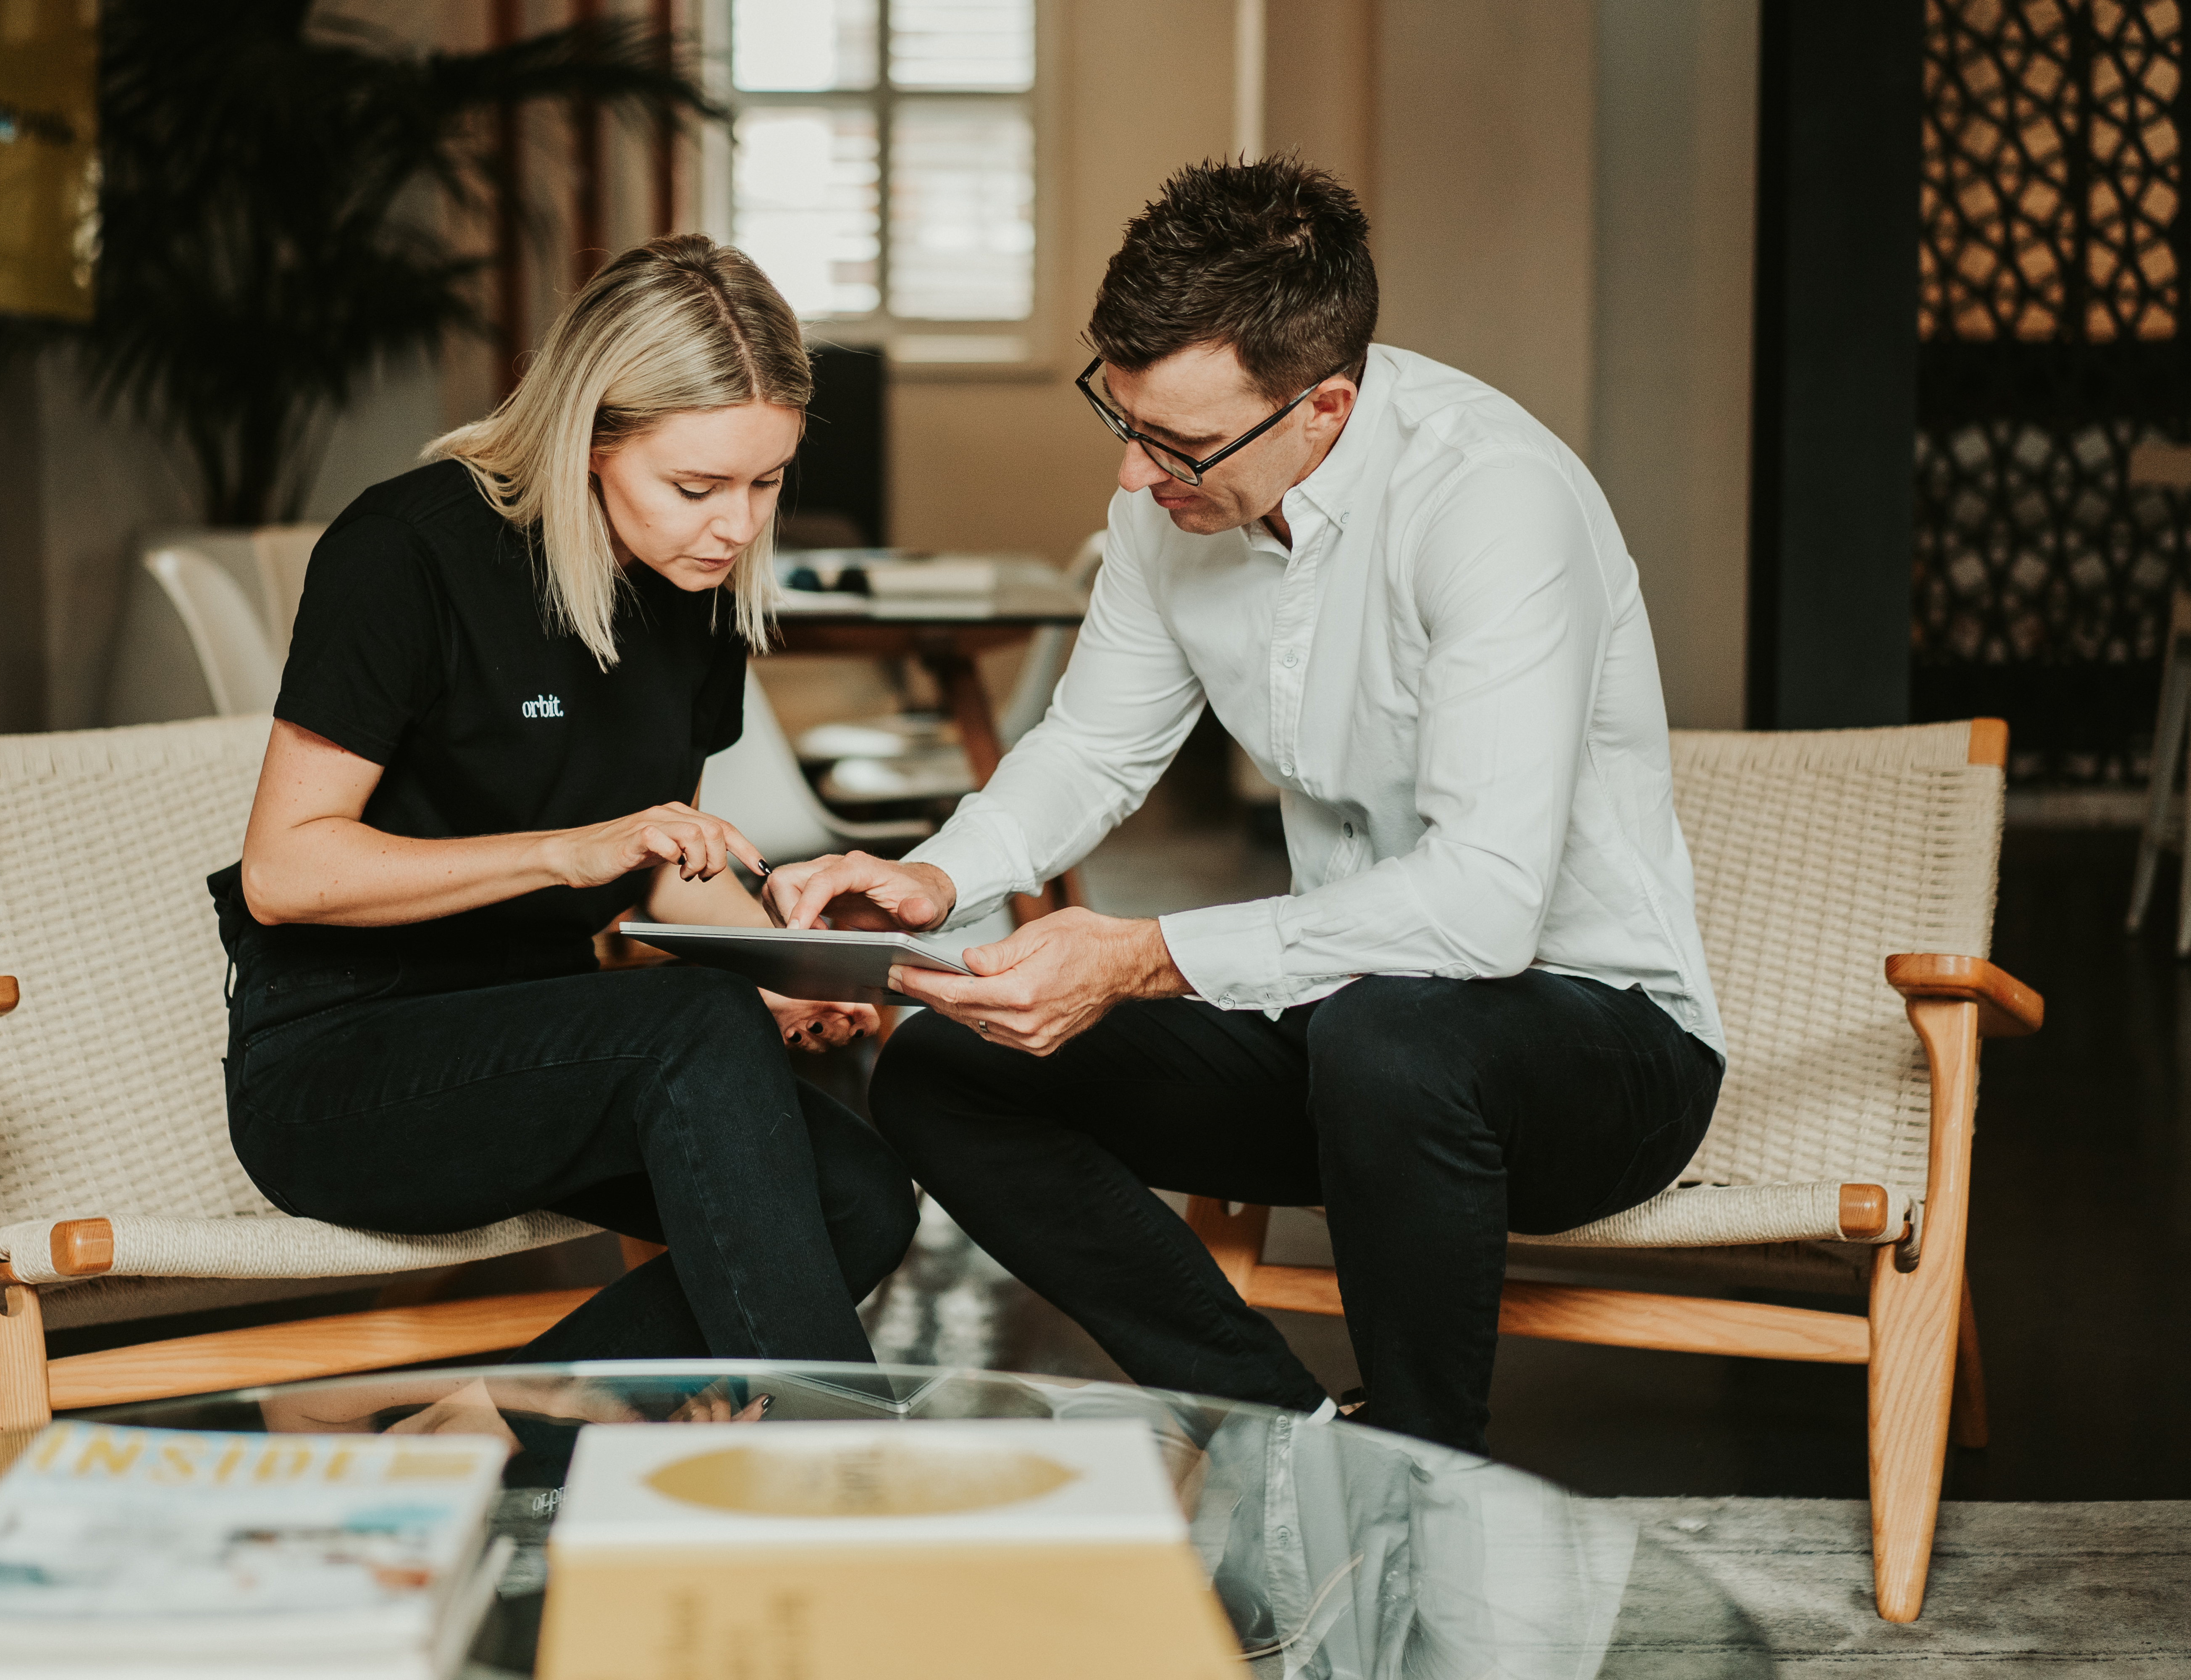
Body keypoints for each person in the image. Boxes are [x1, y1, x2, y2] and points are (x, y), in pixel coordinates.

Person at [764, 159, 1726, 1454]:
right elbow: (1094, 750)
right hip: (1344, 1035)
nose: (1132, 479)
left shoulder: (1492, 501)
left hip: (1601, 1055)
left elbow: (1486, 912)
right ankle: (1289, 1438)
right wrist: (937, 877)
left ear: (1323, 407)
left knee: (1395, 1038)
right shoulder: (1178, 498)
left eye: (1176, 445)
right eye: (1122, 418)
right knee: (949, 1071)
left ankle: (1425, 1490)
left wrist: (1148, 957)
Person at [212, 234, 918, 1368]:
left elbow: (660, 867)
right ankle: (828, 1488)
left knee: (865, 1200)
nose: (736, 527)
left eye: (766, 482)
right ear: (592, 438)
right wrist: (562, 853)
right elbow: (285, 876)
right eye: (696, 487)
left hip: (560, 1046)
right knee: (692, 1025)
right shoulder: (406, 553)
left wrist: (791, 966)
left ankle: (498, 1420)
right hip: (346, 1066)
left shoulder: (696, 588)